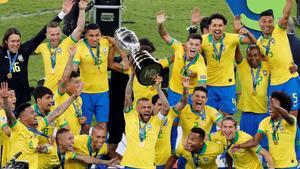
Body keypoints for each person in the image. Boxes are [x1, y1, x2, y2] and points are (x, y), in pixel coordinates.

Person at [0, 0, 74, 107]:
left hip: (22, 98)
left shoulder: (23, 51)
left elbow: (41, 35)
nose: (16, 44)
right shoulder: (1, 53)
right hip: (5, 98)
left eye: (18, 41)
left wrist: (62, 14)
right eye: (12, 41)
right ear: (6, 41)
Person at [0, 81, 81, 169]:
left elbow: (57, 112)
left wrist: (73, 97)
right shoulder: (17, 127)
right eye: (31, 113)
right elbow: (9, 115)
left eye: (34, 112)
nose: (35, 114)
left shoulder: (39, 125)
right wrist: (4, 99)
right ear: (22, 117)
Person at [200, 12, 256, 116]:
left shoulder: (231, 38)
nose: (217, 28)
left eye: (220, 25)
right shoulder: (203, 40)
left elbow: (252, 42)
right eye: (214, 25)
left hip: (227, 86)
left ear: (224, 27)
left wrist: (247, 32)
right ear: (210, 27)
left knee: (228, 118)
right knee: (208, 118)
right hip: (209, 85)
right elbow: (191, 48)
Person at [255, 0, 299, 116]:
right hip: (274, 83)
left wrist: (289, 1)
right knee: (274, 114)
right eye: (264, 21)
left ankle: (294, 135)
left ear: (273, 22)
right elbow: (265, 60)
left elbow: (285, 16)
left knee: (293, 114)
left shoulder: (279, 31)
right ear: (259, 23)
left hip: (290, 79)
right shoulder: (259, 42)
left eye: (270, 21)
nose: (267, 24)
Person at [233, 91, 297, 168]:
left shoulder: (290, 120)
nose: (270, 107)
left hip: (289, 165)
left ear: (281, 107)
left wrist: (277, 107)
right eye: (270, 105)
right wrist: (239, 145)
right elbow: (255, 141)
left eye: (273, 105)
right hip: (272, 166)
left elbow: (287, 117)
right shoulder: (265, 121)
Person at [34, 0, 87, 92]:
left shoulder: (67, 43)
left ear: (61, 34)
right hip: (48, 91)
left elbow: (79, 29)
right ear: (46, 35)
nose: (55, 37)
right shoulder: (42, 47)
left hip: (64, 90)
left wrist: (82, 10)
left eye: (58, 34)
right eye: (52, 35)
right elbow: (27, 49)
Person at [72, 23, 116, 134]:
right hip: (85, 93)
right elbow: (74, 68)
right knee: (85, 126)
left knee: (102, 125)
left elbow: (122, 49)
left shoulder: (106, 42)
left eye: (97, 35)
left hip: (103, 92)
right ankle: (84, 150)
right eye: (91, 36)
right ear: (86, 35)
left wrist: (114, 41)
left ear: (101, 35)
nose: (95, 38)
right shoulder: (80, 47)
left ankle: (100, 150)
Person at [121, 73, 169, 169]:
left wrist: (158, 88)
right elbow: (127, 96)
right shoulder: (130, 117)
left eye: (149, 107)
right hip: (130, 164)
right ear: (137, 109)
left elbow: (166, 107)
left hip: (148, 166)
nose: (147, 109)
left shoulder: (156, 121)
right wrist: (131, 77)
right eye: (143, 107)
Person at [235, 44, 270, 150]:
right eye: (250, 55)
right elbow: (236, 52)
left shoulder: (267, 66)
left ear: (260, 55)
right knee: (246, 144)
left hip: (264, 114)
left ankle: (265, 165)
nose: (253, 58)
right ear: (246, 56)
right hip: (248, 114)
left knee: (265, 146)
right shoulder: (243, 65)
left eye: (256, 55)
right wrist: (236, 36)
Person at [209, 116, 274, 169]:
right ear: (221, 128)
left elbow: (266, 154)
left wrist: (272, 167)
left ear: (236, 128)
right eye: (225, 127)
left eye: (230, 127)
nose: (227, 130)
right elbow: (204, 138)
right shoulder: (220, 135)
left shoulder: (245, 139)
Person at [153, 77, 189, 169]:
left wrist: (185, 89)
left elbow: (183, 102)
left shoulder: (170, 114)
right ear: (152, 105)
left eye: (163, 104)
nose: (161, 108)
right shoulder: (145, 118)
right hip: (148, 162)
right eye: (159, 105)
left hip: (165, 162)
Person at [54, 46, 86, 135]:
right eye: (76, 82)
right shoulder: (60, 96)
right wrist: (71, 56)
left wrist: (81, 119)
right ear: (67, 86)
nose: (79, 85)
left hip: (74, 138)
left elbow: (76, 116)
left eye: (80, 82)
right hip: (61, 139)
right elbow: (65, 78)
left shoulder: (79, 99)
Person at [0, 88, 15, 166]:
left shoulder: (10, 114)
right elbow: (7, 131)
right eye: (10, 96)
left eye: (14, 96)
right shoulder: (2, 113)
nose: (14, 99)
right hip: (6, 157)